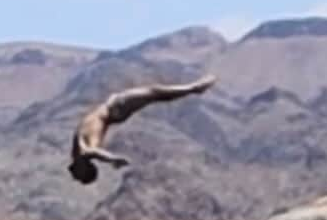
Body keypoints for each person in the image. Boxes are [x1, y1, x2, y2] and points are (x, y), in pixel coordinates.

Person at [68, 76, 216, 184]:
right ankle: (194, 88)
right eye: (79, 177)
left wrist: (110, 159)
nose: (74, 177)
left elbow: (91, 154)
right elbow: (93, 152)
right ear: (86, 167)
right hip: (115, 109)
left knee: (155, 94)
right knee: (154, 93)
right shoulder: (83, 152)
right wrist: (112, 158)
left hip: (113, 108)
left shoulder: (79, 153)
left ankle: (193, 88)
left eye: (78, 177)